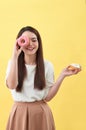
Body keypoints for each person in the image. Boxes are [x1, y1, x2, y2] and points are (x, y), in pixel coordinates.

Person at [5, 26, 81, 130]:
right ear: (19, 43)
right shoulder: (13, 63)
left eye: (34, 40)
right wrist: (15, 56)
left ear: (39, 43)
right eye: (25, 41)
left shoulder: (47, 65)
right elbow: (11, 85)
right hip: (19, 113)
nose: (30, 44)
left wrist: (62, 75)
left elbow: (47, 97)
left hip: (41, 114)